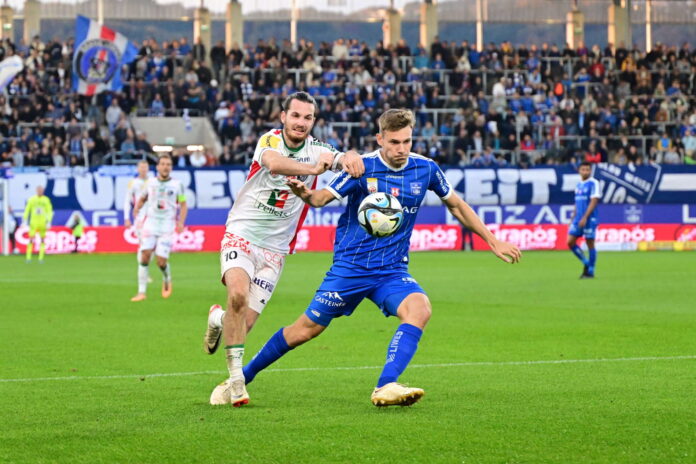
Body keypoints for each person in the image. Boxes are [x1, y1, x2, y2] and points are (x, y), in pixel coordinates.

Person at [210, 109, 521, 408]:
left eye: (407, 141)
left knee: (420, 308)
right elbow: (320, 199)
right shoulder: (363, 168)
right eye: (394, 142)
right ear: (380, 139)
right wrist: (305, 193)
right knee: (304, 330)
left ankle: (387, 384)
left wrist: (492, 241)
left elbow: (456, 205)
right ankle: (240, 378)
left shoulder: (425, 168)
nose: (402, 149)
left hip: (391, 271)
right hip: (350, 269)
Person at [203, 91, 365, 407]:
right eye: (295, 116)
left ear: (313, 121)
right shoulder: (269, 141)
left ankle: (218, 320)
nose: (300, 123)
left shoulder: (318, 148)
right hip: (242, 235)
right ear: (283, 117)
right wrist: (314, 171)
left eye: (307, 118)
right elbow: (275, 164)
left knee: (243, 323)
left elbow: (339, 157)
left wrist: (351, 157)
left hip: (276, 250)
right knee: (237, 295)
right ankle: (237, 382)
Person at [130, 155, 187, 301]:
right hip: (150, 223)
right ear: (158, 167)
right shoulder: (150, 183)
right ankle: (141, 292)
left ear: (171, 167)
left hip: (167, 225)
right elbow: (143, 197)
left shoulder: (177, 185)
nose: (165, 166)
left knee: (161, 261)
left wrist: (181, 222)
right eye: (163, 164)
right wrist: (137, 208)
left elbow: (183, 204)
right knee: (144, 255)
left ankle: (167, 278)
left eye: (168, 164)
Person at [567, 161, 601, 278]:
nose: (585, 171)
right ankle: (587, 263)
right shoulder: (579, 185)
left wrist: (585, 217)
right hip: (578, 219)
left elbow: (594, 200)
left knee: (590, 243)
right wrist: (573, 218)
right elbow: (577, 203)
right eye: (583, 169)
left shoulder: (594, 183)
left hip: (589, 218)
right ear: (579, 171)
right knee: (570, 242)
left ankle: (590, 271)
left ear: (590, 171)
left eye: (587, 169)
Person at [124, 160, 151, 267]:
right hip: (139, 217)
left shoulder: (153, 181)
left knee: (151, 246)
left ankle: (145, 267)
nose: (143, 169)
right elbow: (127, 201)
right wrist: (126, 218)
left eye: (145, 167)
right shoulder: (133, 183)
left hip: (153, 217)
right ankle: (143, 270)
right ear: (138, 169)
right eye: (141, 167)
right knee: (143, 244)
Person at [23, 186, 53, 263]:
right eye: (39, 190)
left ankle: (41, 258)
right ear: (36, 190)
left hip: (42, 222)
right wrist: (25, 219)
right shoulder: (32, 199)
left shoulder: (46, 200)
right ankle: (28, 257)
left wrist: (49, 221)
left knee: (42, 240)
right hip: (34, 222)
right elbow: (27, 209)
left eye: (41, 190)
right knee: (31, 239)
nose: (40, 191)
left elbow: (49, 211)